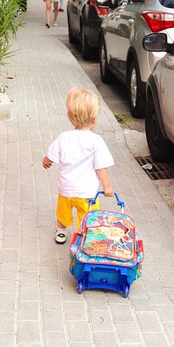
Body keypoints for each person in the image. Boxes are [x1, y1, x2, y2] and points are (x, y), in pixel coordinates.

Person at [42, 87, 114, 245]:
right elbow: (101, 166)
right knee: (88, 215)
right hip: (87, 192)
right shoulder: (96, 141)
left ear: (70, 116)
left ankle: (61, 232)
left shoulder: (64, 137)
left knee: (63, 211)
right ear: (94, 119)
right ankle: (86, 235)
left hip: (66, 188)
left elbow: (51, 156)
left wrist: (46, 161)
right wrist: (107, 186)